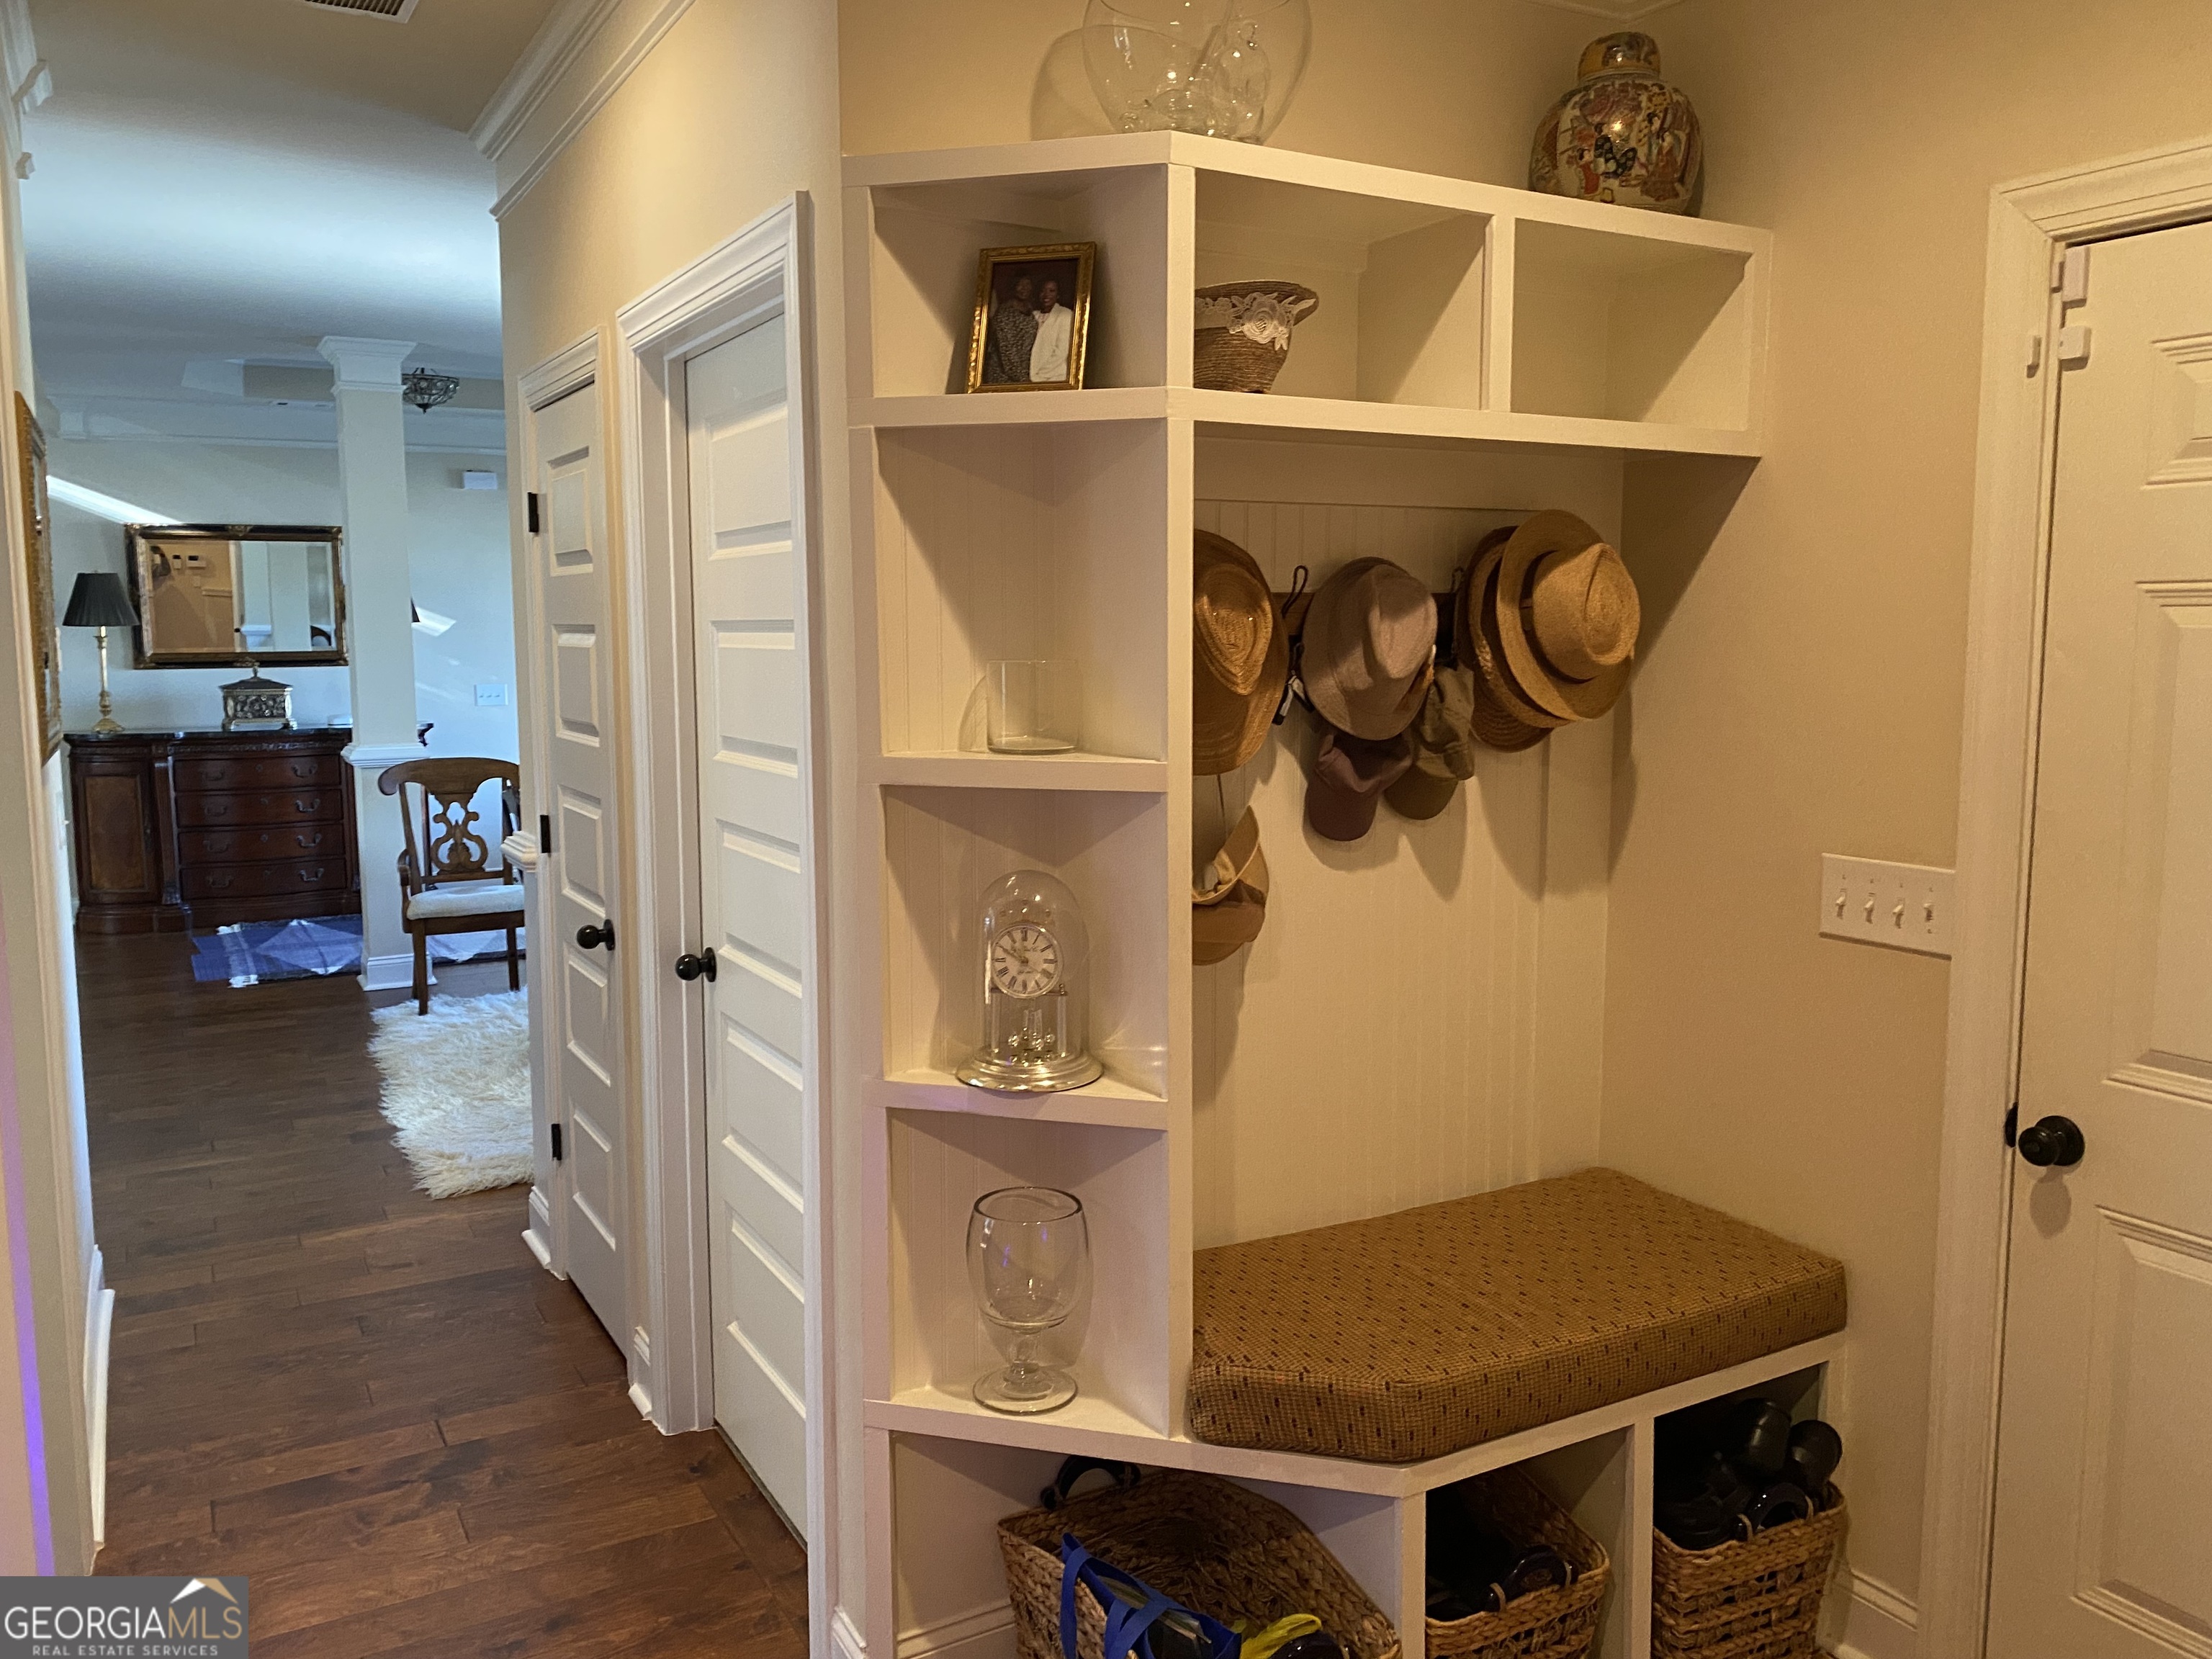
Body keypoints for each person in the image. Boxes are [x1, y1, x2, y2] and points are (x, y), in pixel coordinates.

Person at [981, 274, 1036, 385]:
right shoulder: (1004, 314)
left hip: (1023, 375)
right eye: (1020, 284)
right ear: (1013, 287)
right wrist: (1024, 380)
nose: (1024, 288)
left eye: (1027, 284)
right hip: (1003, 378)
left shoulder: (1031, 313)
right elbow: (1008, 351)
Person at [1029, 276, 1074, 384]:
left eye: (1051, 291)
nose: (1046, 294)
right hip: (1031, 377)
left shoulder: (1066, 315)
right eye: (1043, 291)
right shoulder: (1033, 316)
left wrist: (1039, 374)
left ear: (1058, 294)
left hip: (1056, 376)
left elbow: (1062, 351)